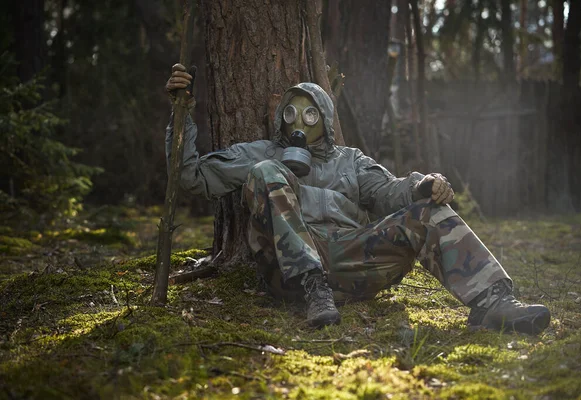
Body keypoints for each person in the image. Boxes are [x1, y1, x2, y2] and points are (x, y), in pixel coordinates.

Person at [165, 64, 551, 335]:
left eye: (311, 115)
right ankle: (313, 287)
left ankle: (493, 301)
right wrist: (182, 112)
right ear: (281, 117)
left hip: (355, 264)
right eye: (291, 113)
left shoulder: (351, 161)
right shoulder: (262, 153)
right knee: (267, 171)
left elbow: (390, 193)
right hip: (290, 275)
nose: (300, 122)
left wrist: (425, 184)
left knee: (429, 210)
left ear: (326, 118)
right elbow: (191, 177)